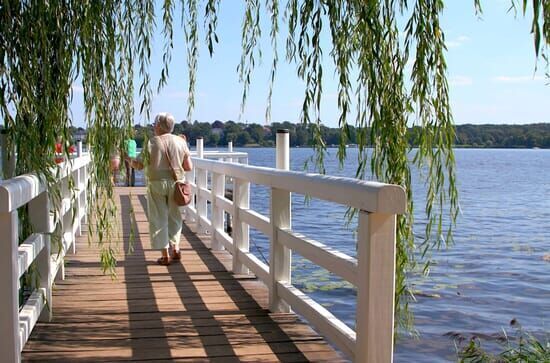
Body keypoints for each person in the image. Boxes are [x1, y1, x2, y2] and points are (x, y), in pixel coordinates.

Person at [125, 113, 193, 265]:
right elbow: (188, 167)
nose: (153, 127)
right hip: (176, 184)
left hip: (156, 183)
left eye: (154, 124)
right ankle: (175, 249)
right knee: (175, 217)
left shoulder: (152, 143)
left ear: (158, 126)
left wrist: (128, 159)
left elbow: (140, 165)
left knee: (158, 218)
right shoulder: (180, 142)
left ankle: (165, 254)